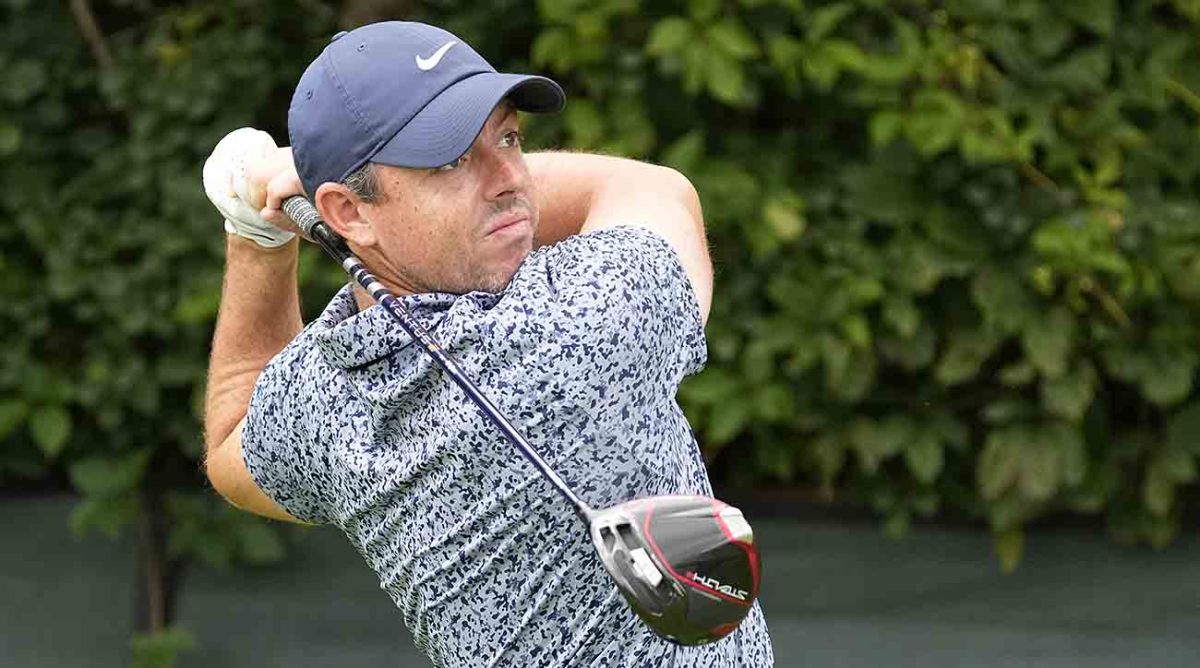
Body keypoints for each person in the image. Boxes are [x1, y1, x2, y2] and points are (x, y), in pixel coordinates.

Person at [201, 20, 774, 667]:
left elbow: (230, 438)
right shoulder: (580, 324)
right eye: (450, 160)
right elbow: (654, 190)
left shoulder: (327, 402)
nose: (510, 177)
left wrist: (254, 235)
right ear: (348, 213)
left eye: (507, 137)